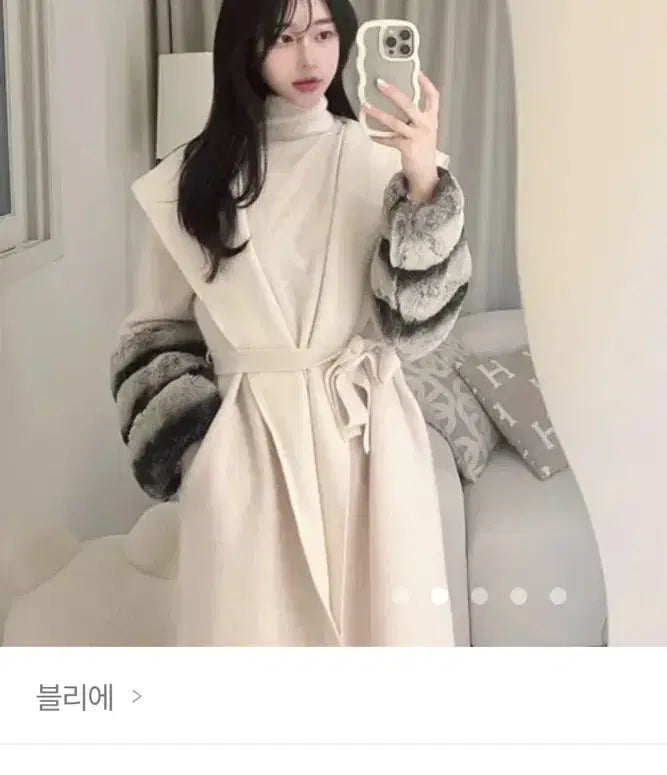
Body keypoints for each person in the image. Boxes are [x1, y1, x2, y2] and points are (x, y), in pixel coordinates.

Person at [109, 0, 472, 646]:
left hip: (370, 443)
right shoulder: (191, 183)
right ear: (245, 47)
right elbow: (151, 333)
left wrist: (422, 184)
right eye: (283, 38)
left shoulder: (383, 163)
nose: (309, 57)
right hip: (248, 453)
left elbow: (414, 330)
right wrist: (199, 451)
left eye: (324, 34)